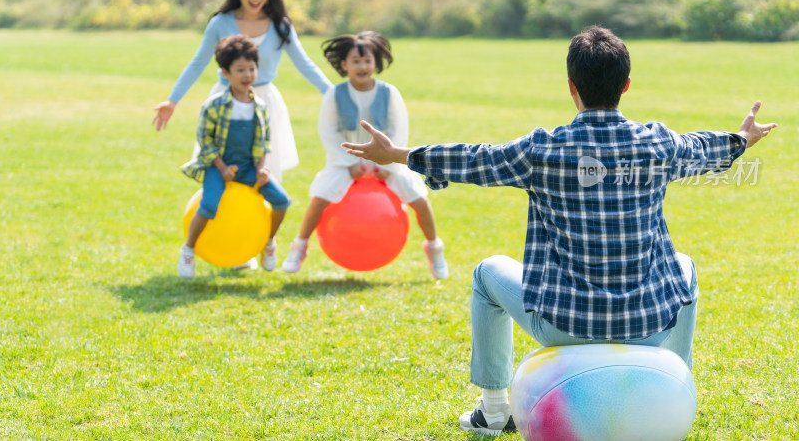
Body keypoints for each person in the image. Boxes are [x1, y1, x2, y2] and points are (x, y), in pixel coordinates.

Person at [342, 26, 777, 436]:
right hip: (646, 324)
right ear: (626, 85)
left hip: (561, 323)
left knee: (486, 273)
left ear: (572, 86)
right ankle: (670, 380)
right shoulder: (657, 144)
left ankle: (494, 410)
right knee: (685, 267)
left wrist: (400, 154)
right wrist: (742, 138)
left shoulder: (541, 150)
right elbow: (705, 148)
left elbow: (476, 159)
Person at [281, 31, 448, 279]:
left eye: (367, 60)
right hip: (344, 162)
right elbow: (329, 132)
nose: (362, 66)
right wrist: (349, 163)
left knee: (419, 199)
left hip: (386, 162)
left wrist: (387, 162)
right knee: (319, 197)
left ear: (375, 63)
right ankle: (300, 245)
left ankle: (434, 247)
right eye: (356, 61)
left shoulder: (389, 92)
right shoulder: (334, 94)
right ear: (344, 64)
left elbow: (399, 130)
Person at [152, 0, 333, 185]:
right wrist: (172, 100)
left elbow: (305, 64)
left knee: (265, 177)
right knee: (221, 175)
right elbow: (198, 63)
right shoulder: (221, 23)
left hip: (264, 104)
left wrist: (333, 93)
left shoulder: (280, 26)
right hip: (226, 103)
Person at [178, 35, 292, 280]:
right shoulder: (214, 105)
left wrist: (262, 170)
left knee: (282, 201)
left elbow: (264, 142)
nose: (247, 75)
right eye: (240, 70)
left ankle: (268, 243)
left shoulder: (260, 106)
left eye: (251, 69)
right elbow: (204, 140)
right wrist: (221, 168)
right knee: (208, 206)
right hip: (216, 165)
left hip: (248, 167)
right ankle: (189, 249)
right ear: (225, 72)